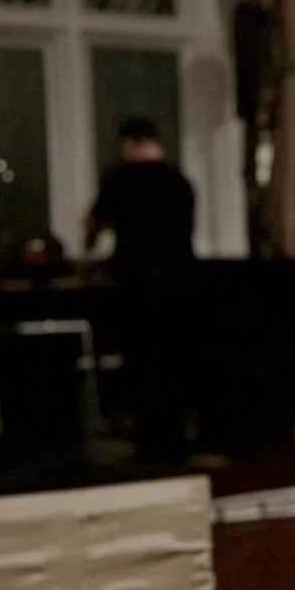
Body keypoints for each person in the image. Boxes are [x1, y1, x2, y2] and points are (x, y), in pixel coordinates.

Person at [87, 117, 196, 458]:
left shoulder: (120, 180)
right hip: (178, 285)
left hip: (135, 286)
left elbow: (93, 224)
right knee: (174, 363)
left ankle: (147, 439)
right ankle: (174, 436)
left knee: (141, 364)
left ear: (130, 142)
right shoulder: (179, 181)